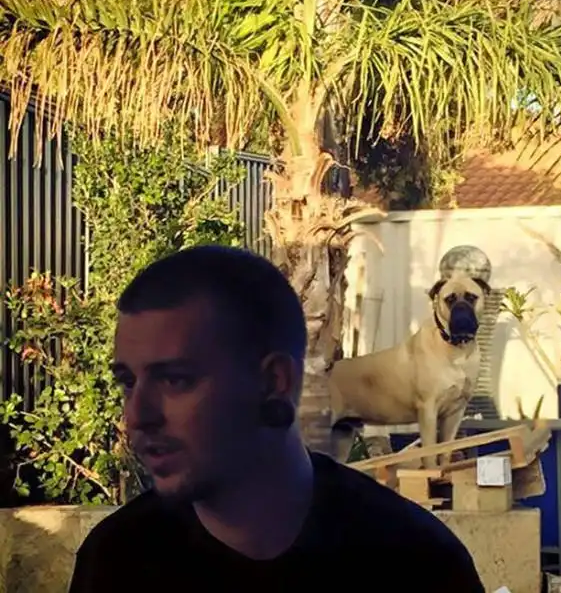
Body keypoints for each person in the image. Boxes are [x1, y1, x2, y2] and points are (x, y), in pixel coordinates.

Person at [69, 245, 485, 592]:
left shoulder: (419, 563)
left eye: (175, 380)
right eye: (128, 382)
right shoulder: (115, 561)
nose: (136, 416)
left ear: (274, 382)